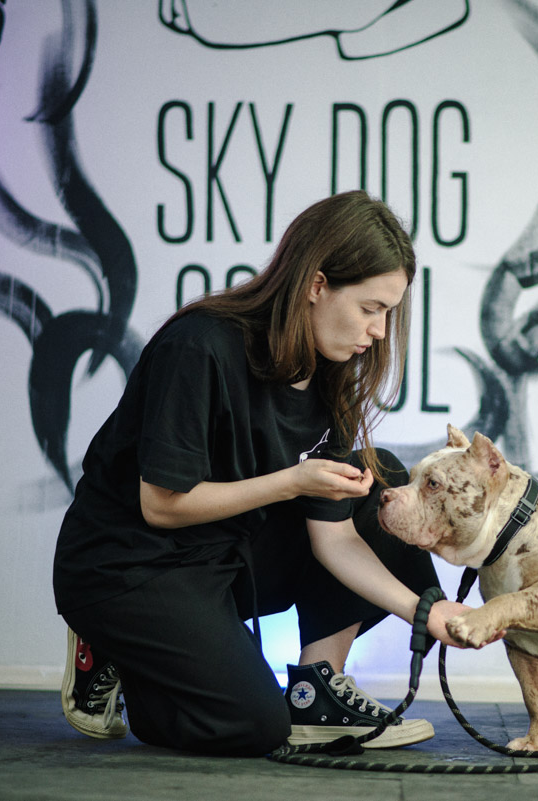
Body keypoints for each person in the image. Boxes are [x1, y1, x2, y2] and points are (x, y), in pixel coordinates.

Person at [51, 190, 486, 756]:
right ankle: (116, 643)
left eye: (388, 314)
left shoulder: (327, 373)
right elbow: (161, 505)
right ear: (316, 285)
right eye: (371, 309)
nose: (380, 331)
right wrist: (293, 482)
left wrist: (426, 611)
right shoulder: (199, 347)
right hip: (132, 563)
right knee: (252, 725)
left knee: (381, 488)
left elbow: (333, 536)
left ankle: (316, 692)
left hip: (225, 554)